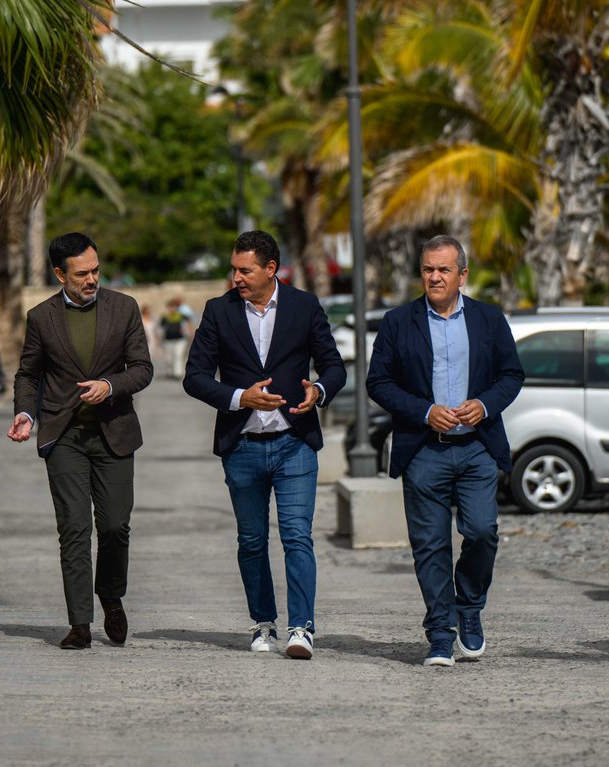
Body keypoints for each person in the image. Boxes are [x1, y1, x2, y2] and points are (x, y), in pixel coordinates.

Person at [183, 230, 346, 659]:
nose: (235, 277)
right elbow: (195, 377)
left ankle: (301, 628)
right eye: (233, 269)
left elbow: (333, 364)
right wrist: (240, 397)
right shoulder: (218, 312)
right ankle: (263, 623)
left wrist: (320, 391)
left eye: (244, 269)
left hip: (295, 443)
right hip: (243, 447)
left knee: (297, 537)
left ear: (270, 269)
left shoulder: (304, 305)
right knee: (252, 541)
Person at [366, 234, 524, 667]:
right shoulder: (399, 321)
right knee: (430, 546)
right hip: (423, 451)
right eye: (428, 269)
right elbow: (377, 382)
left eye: (444, 270)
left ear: (462, 275)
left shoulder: (490, 319)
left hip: (476, 448)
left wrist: (485, 404)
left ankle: (468, 609)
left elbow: (512, 375)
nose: (435, 277)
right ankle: (439, 633)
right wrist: (425, 411)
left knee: (481, 531)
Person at [8, 232, 153, 650]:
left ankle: (110, 594)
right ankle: (79, 624)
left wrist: (110, 385)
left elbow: (142, 368)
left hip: (115, 435)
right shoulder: (41, 317)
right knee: (73, 529)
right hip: (64, 435)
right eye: (81, 273)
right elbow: (28, 374)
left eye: (95, 270)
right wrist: (24, 411)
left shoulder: (123, 308)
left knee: (113, 526)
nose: (92, 279)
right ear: (59, 274)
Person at [159, 299, 190, 380]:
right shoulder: (165, 317)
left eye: (173, 307)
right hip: (168, 340)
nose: (171, 309)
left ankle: (178, 373)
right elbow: (161, 326)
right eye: (170, 307)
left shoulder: (181, 315)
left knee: (178, 355)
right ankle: (170, 372)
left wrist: (187, 330)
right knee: (169, 358)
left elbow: (189, 322)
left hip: (180, 339)